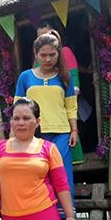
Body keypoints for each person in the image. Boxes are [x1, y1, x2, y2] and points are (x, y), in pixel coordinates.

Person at [14, 31, 78, 216]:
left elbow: (71, 106)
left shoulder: (65, 76)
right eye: (43, 55)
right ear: (35, 54)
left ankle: (66, 215)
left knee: (62, 174)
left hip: (61, 133)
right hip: (35, 134)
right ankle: (42, 212)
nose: (48, 59)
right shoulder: (25, 77)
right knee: (37, 174)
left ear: (59, 54)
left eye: (52, 54)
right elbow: (18, 107)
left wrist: (74, 130)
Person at [36, 21, 85, 165]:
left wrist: (73, 91)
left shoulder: (65, 52)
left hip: (61, 103)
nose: (48, 58)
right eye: (39, 36)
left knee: (67, 130)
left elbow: (73, 76)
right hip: (44, 108)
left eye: (45, 34)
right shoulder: (36, 60)